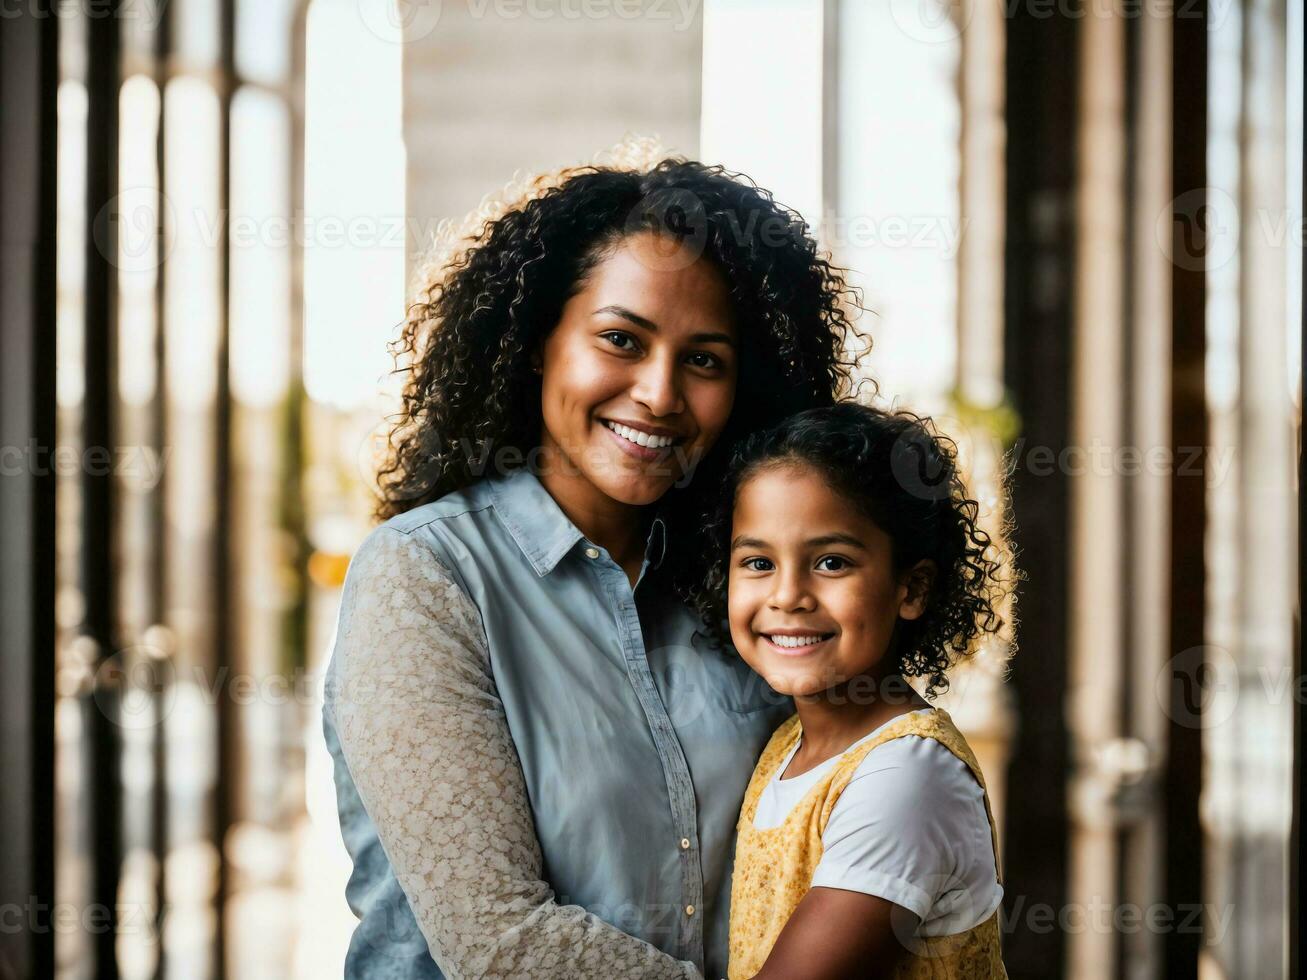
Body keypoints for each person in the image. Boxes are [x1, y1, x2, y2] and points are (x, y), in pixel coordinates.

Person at [321, 148, 865, 979]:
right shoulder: (424, 577)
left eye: (704, 360)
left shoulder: (750, 586)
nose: (659, 392)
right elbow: (498, 940)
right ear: (540, 342)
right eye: (621, 339)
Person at [686, 403, 1010, 979]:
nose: (788, 596)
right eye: (758, 561)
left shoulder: (908, 777)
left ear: (910, 589)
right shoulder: (788, 743)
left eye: (831, 562)